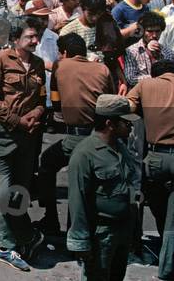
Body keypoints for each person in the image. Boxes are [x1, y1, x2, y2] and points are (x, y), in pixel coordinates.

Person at [0, 19, 47, 272]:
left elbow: (41, 98)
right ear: (16, 39)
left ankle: (5, 246)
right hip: (0, 137)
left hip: (27, 139)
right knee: (5, 194)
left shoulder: (38, 63)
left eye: (36, 36)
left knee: (18, 193)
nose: (35, 41)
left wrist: (37, 114)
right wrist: (17, 120)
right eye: (30, 37)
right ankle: (28, 236)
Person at [36, 33, 115, 235]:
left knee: (47, 163)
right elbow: (111, 101)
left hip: (76, 137)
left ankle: (51, 218)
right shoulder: (102, 69)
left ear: (64, 53)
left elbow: (55, 101)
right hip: (100, 136)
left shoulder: (60, 66)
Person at [67, 94, 140, 281]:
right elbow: (77, 202)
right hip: (101, 235)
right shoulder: (85, 154)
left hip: (122, 230)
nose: (131, 127)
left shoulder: (120, 147)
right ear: (110, 124)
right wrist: (81, 244)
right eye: (126, 123)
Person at [127, 59, 174, 281]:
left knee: (157, 203)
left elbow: (127, 107)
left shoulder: (146, 85)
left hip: (155, 158)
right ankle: (167, 266)